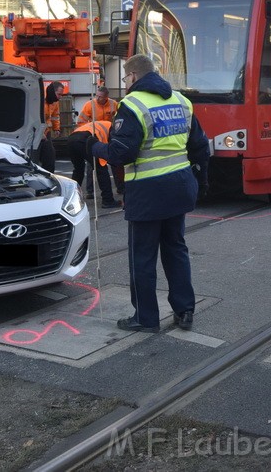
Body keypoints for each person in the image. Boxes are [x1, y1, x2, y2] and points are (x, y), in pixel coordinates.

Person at [91, 54, 210, 333]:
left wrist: (93, 147)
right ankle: (185, 310)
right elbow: (200, 147)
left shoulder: (132, 104)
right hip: (180, 187)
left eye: (125, 77)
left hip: (147, 192)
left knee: (142, 257)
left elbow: (122, 153)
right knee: (176, 249)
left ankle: (146, 318)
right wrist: (202, 181)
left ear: (132, 76)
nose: (125, 82)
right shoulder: (182, 101)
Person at [67, 120, 119, 208]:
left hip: (71, 139)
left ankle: (71, 199)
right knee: (101, 169)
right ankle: (108, 200)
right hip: (85, 139)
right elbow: (111, 146)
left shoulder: (101, 124)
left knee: (78, 170)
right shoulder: (111, 127)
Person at [37, 81, 64, 173]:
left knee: (50, 158)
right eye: (59, 94)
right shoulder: (38, 98)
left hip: (45, 133)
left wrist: (56, 128)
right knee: (34, 159)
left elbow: (55, 116)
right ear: (53, 91)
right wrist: (39, 133)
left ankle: (48, 179)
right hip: (34, 133)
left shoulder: (54, 102)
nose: (60, 97)